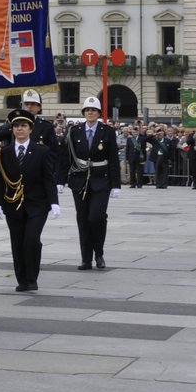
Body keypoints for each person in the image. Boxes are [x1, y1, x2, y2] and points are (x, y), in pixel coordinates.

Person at [0, 108, 61, 292]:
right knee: (17, 242)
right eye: (16, 126)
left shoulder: (42, 151)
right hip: (13, 203)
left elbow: (49, 178)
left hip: (37, 204)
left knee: (31, 240)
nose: (19, 129)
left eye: (23, 126)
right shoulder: (4, 152)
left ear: (31, 129)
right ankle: (22, 279)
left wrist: (54, 201)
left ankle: (32, 277)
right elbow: (0, 179)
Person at [66, 96, 121, 270]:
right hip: (80, 180)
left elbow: (113, 158)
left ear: (99, 113)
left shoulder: (107, 131)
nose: (90, 113)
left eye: (94, 110)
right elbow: (67, 157)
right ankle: (86, 258)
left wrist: (116, 184)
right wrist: (61, 180)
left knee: (96, 217)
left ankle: (99, 253)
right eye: (87, 110)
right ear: (84, 113)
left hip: (100, 180)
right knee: (82, 219)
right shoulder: (75, 131)